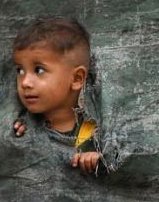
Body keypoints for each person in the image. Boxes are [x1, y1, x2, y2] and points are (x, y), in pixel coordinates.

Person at [11, 18, 108, 174]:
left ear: (76, 79)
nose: (25, 82)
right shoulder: (24, 126)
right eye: (20, 71)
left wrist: (98, 158)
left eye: (39, 70)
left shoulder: (97, 130)